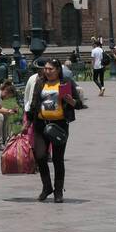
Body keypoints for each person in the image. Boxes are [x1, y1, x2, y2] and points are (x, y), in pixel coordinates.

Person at [25, 59, 77, 202]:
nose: (47, 71)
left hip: (59, 126)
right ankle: (47, 187)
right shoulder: (40, 82)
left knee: (57, 159)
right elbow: (34, 102)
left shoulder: (66, 82)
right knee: (40, 156)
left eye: (50, 69)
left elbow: (78, 103)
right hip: (41, 125)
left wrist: (70, 100)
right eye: (45, 69)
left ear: (58, 70)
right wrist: (28, 121)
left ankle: (58, 191)